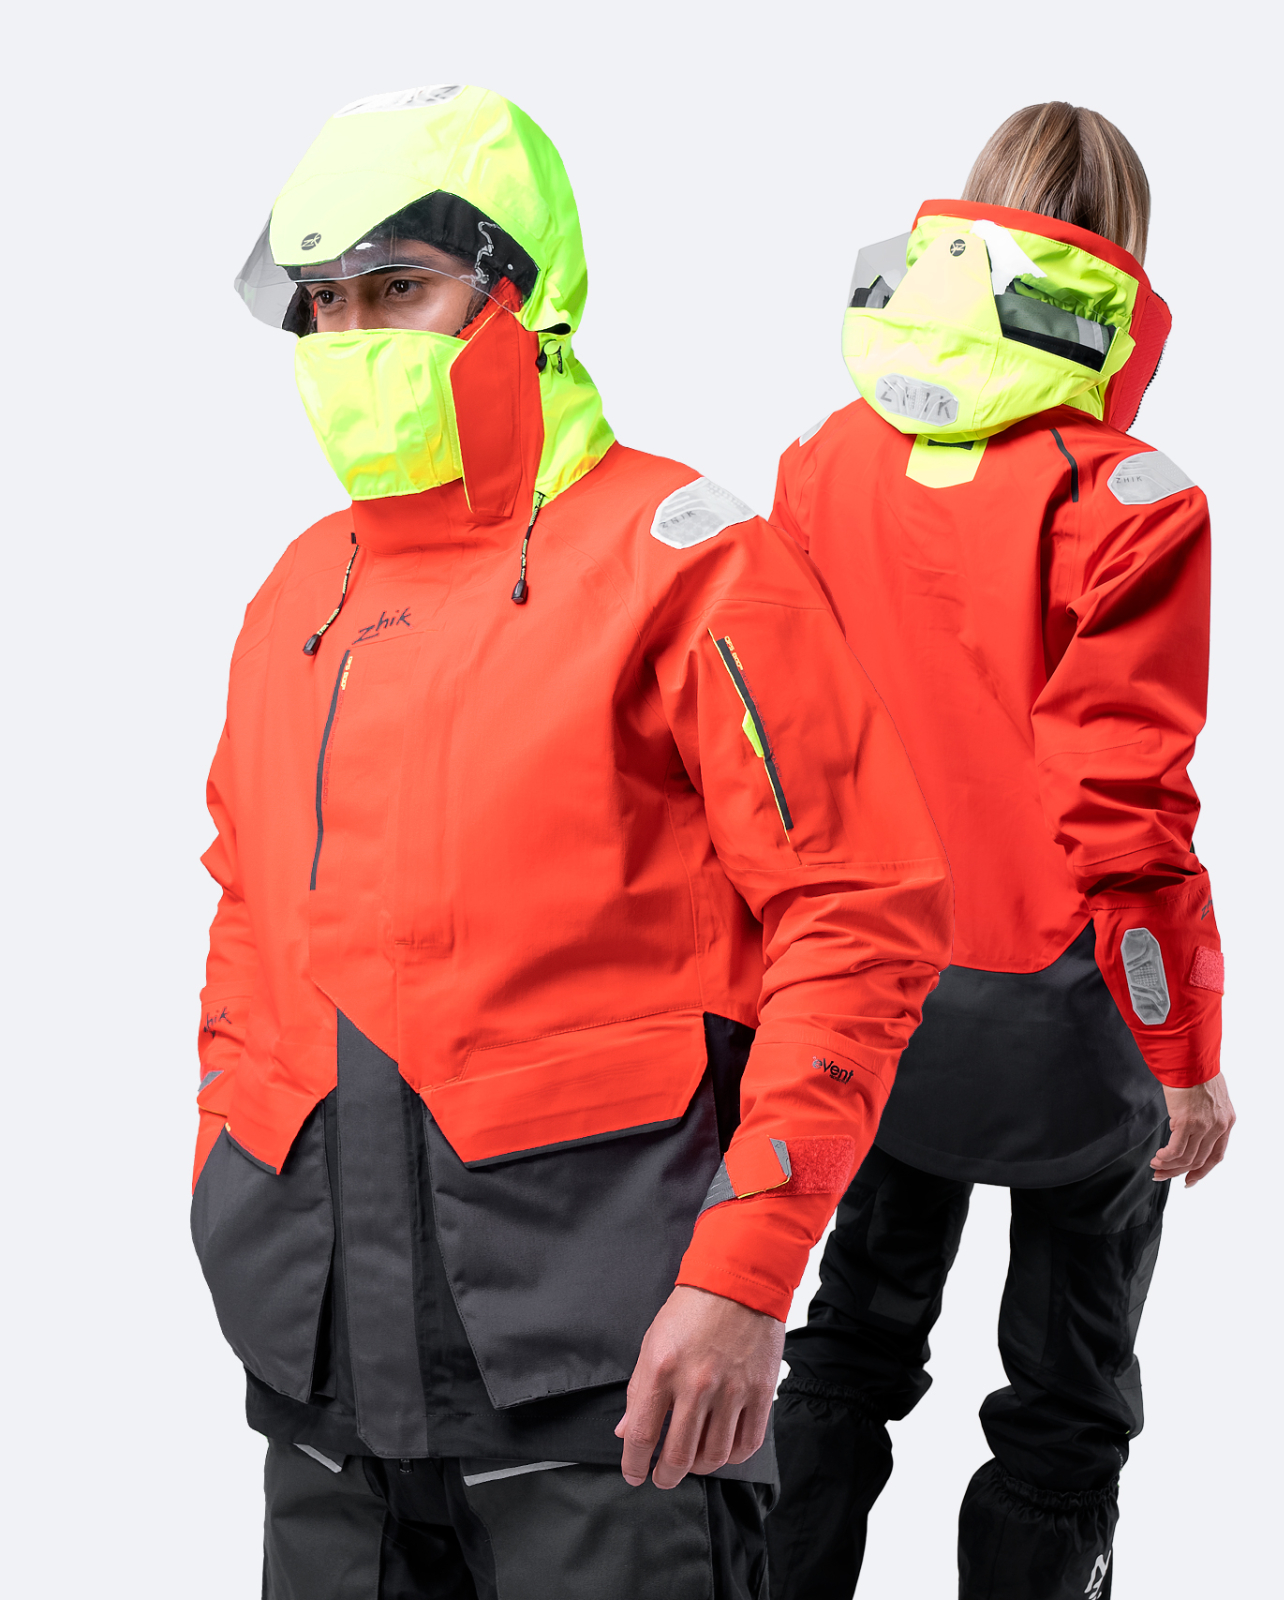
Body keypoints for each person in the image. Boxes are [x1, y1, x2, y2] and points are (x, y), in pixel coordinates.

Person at [193, 83, 953, 1599]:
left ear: (519, 293)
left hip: (609, 1377)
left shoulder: (691, 563)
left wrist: (747, 1274)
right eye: (326, 303)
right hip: (320, 1374)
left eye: (398, 289)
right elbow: (247, 918)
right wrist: (227, 1166)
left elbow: (857, 923)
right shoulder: (299, 591)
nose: (352, 339)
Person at [763, 103, 1236, 1599]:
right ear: (1123, 264)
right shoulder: (1130, 500)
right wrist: (1183, 1055)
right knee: (1066, 1399)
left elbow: (778, 754)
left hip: (875, 1002)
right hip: (1068, 1020)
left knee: (848, 1342)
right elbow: (1127, 816)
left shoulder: (825, 460)